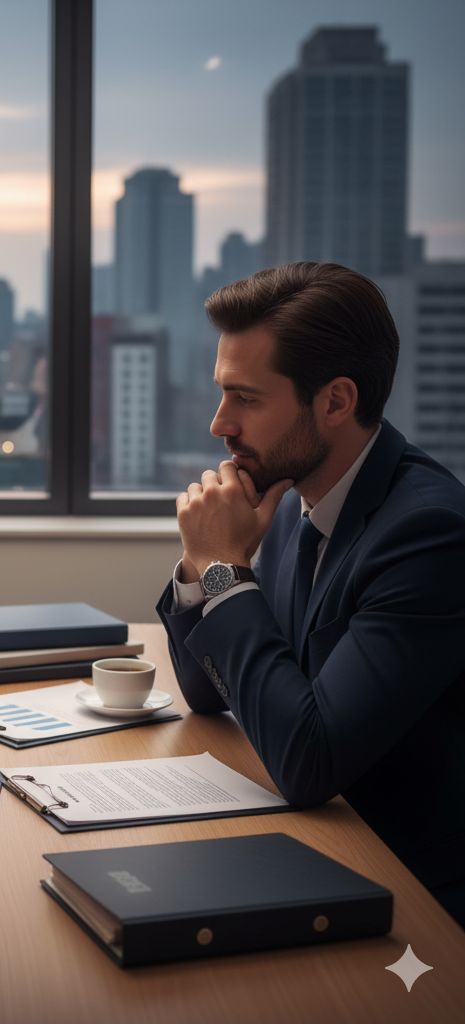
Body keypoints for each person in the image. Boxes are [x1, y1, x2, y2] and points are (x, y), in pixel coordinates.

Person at [157, 262, 465, 927]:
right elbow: (208, 693)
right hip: (317, 845)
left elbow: (309, 762)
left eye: (246, 398)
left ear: (335, 401)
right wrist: (203, 561)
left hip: (408, 887)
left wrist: (223, 568)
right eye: (222, 393)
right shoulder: (290, 494)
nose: (219, 423)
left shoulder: (429, 535)